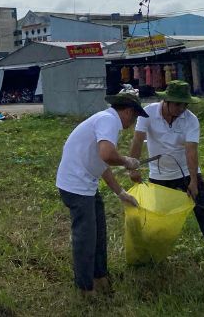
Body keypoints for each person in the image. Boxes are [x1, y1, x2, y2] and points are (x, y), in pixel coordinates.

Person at [129, 80, 204, 268]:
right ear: (166, 101)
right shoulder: (148, 112)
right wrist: (133, 168)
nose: (181, 108)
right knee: (159, 218)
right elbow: (138, 139)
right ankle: (154, 257)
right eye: (177, 104)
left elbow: (191, 150)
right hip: (159, 176)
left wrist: (193, 181)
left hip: (186, 173)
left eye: (184, 104)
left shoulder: (191, 119)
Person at [56, 87, 146, 296]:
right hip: (76, 186)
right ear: (128, 112)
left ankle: (100, 277)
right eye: (133, 119)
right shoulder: (109, 120)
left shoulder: (104, 120)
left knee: (98, 234)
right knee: (86, 238)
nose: (131, 125)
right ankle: (85, 288)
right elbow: (107, 155)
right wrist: (127, 161)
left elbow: (101, 164)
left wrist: (120, 192)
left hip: (85, 184)